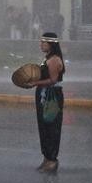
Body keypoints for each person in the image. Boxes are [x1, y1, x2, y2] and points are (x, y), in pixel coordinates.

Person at [25, 32, 65, 173]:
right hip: (44, 93)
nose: (41, 44)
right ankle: (47, 157)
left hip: (51, 95)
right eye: (41, 42)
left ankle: (52, 159)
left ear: (51, 44)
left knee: (51, 126)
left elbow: (53, 80)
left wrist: (35, 82)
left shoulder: (54, 59)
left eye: (44, 42)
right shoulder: (47, 58)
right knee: (44, 126)